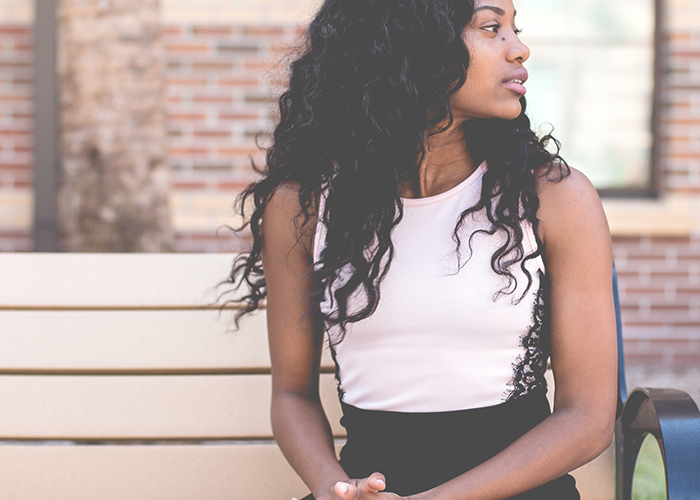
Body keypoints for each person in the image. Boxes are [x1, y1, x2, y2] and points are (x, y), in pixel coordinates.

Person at [226, 0, 617, 498]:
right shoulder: (303, 206)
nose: (520, 49)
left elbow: (588, 417)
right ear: (411, 44)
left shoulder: (554, 198)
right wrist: (334, 488)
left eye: (515, 30)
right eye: (492, 28)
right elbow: (291, 395)